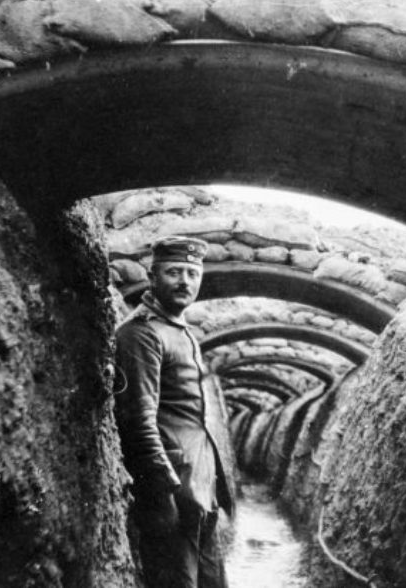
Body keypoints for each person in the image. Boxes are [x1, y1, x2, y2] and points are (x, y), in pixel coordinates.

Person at [114, 236, 232, 588]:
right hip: (173, 492)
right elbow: (138, 421)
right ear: (152, 277)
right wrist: (163, 493)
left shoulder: (180, 330)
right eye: (174, 272)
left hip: (199, 491)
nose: (185, 281)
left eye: (193, 273)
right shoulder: (142, 334)